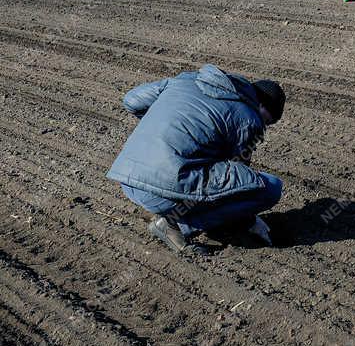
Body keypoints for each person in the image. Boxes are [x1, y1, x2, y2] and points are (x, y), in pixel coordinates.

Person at [107, 64, 286, 255]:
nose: (265, 125)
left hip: (128, 178)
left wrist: (163, 126)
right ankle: (176, 225)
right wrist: (248, 217)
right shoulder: (250, 118)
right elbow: (238, 183)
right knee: (270, 188)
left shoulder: (184, 81)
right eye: (269, 120)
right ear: (262, 105)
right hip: (160, 194)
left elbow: (131, 101)